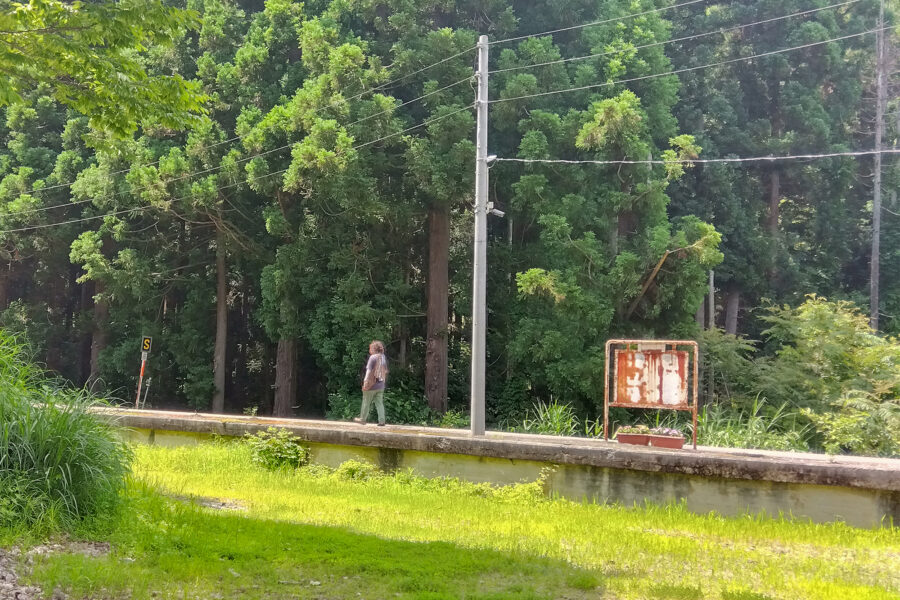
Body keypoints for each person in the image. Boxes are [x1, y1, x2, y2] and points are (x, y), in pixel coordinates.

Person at [353, 340, 388, 426]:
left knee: (366, 402)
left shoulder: (373, 357)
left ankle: (362, 419)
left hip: (371, 385)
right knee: (379, 403)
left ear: (374, 348)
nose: (369, 350)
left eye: (370, 348)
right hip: (381, 385)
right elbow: (385, 371)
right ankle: (382, 421)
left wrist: (365, 381)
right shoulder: (383, 357)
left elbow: (368, 371)